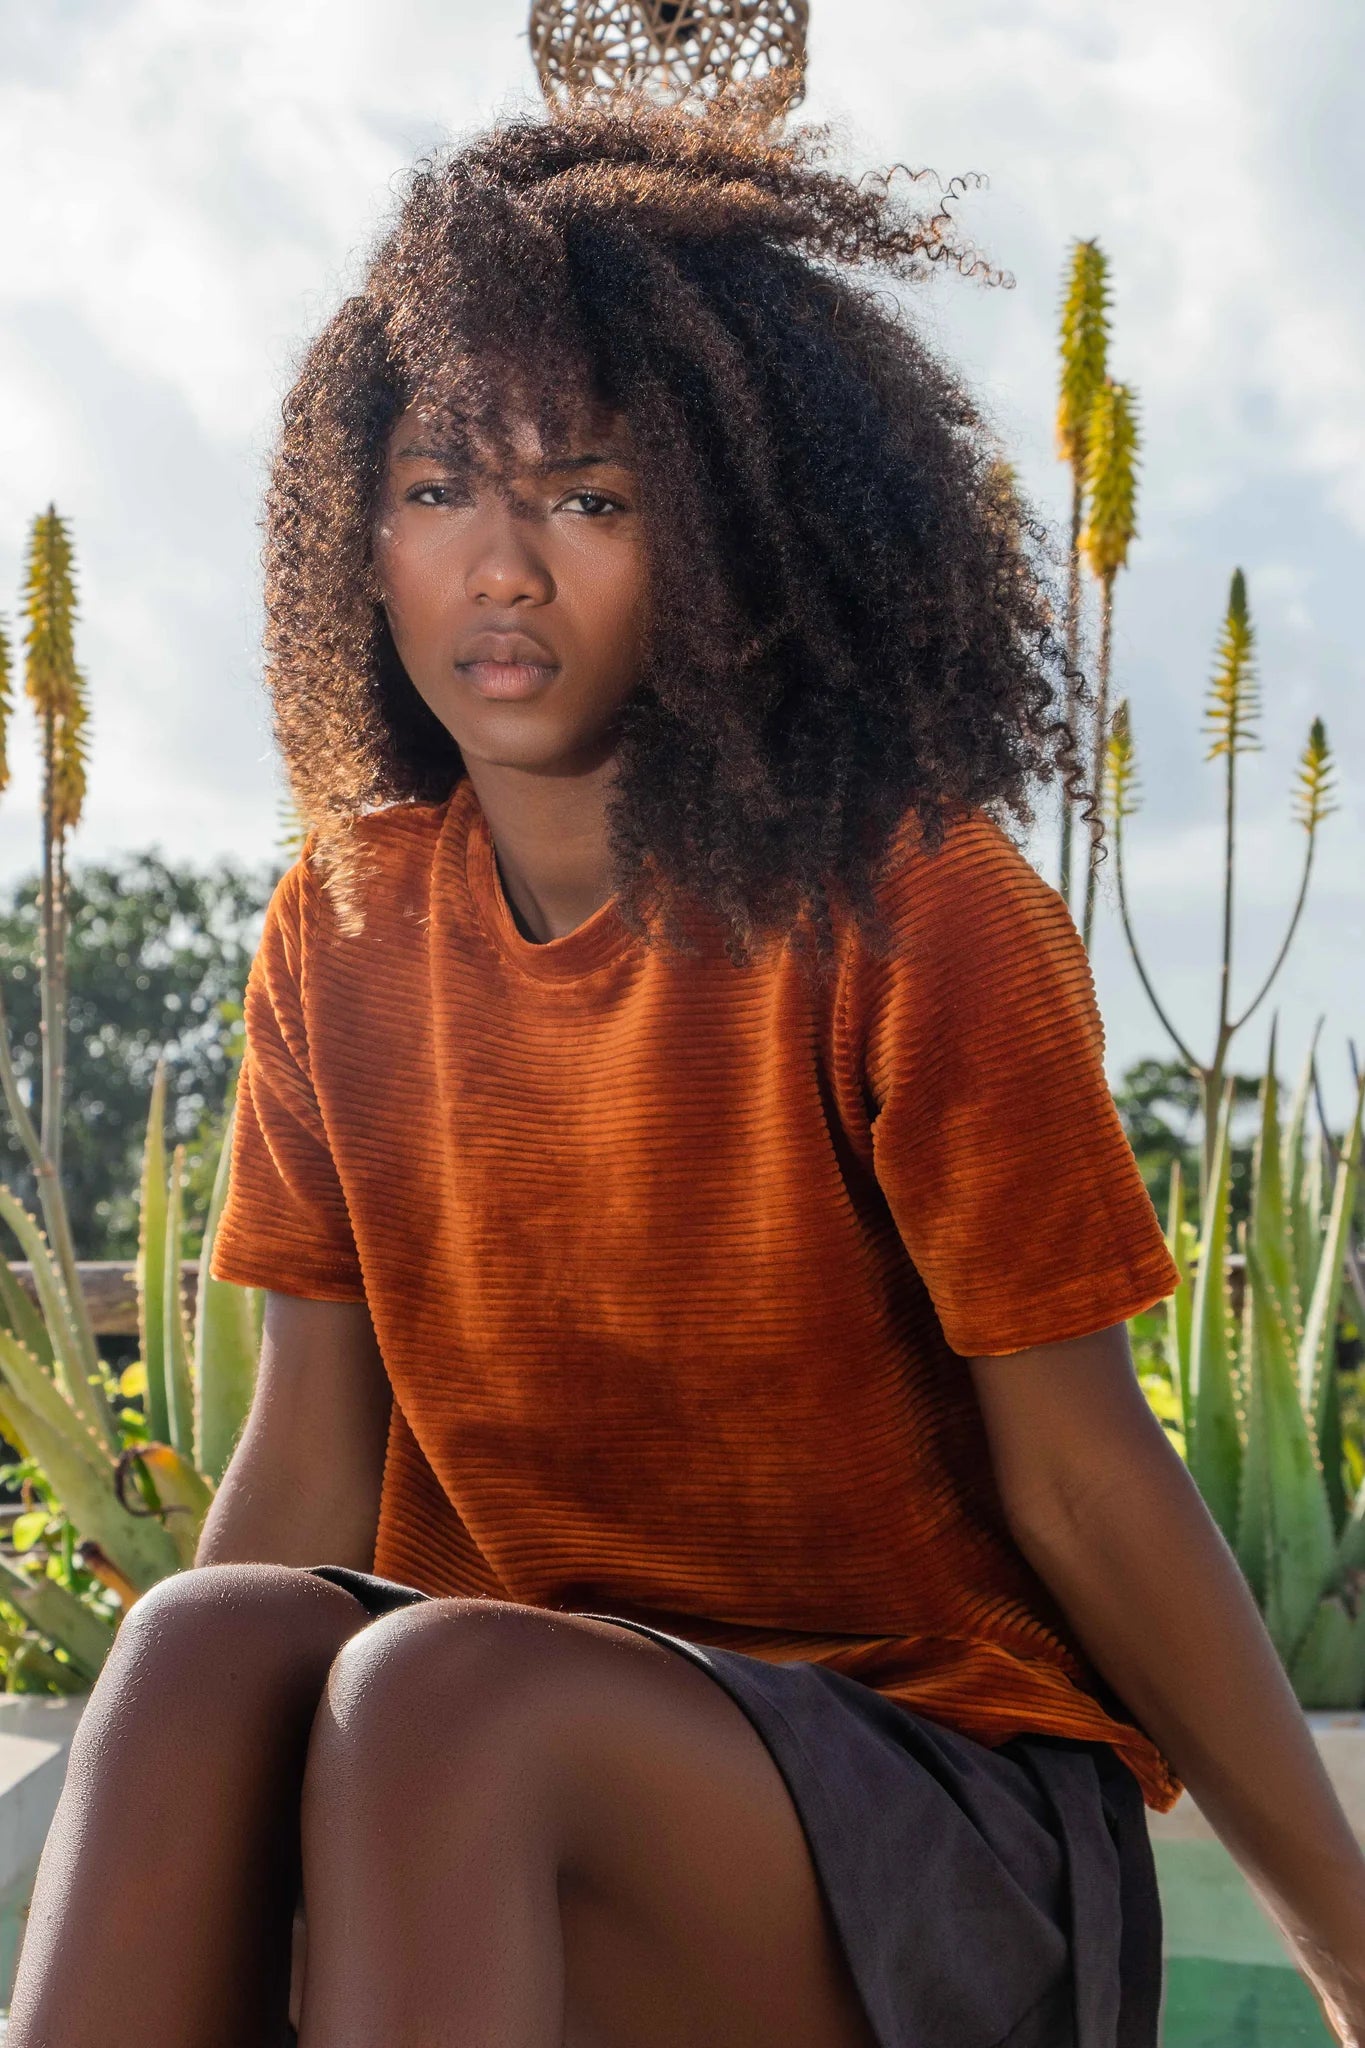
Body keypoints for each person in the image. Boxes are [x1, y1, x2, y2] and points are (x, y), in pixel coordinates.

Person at [9, 94, 1365, 2048]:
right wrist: (209, 1792)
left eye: (587, 496)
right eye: (437, 490)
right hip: (482, 1759)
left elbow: (1082, 1476)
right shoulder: (344, 926)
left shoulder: (914, 904)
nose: (500, 570)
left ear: (730, 529)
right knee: (202, 1642)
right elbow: (305, 1462)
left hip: (938, 1820)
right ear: (351, 532)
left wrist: (1336, 1939)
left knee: (442, 1697)